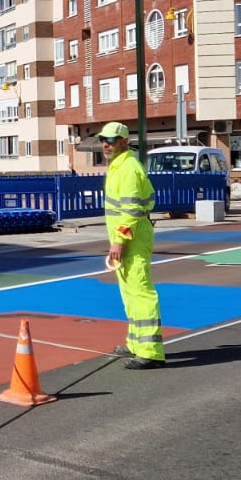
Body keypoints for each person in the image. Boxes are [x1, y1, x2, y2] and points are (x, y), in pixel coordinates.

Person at [99, 121, 165, 370]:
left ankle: (150, 352)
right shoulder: (119, 166)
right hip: (130, 237)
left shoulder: (128, 168)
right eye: (103, 139)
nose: (106, 144)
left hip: (133, 238)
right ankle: (136, 344)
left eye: (112, 140)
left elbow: (132, 211)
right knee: (129, 292)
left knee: (141, 291)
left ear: (124, 141)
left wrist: (119, 241)